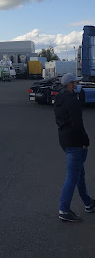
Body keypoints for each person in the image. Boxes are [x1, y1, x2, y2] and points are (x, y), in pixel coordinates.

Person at [54, 72, 95, 222]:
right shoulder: (73, 101)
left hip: (64, 141)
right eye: (76, 83)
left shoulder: (59, 99)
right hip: (75, 143)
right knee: (72, 176)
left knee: (79, 174)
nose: (78, 85)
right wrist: (85, 141)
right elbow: (78, 124)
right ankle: (64, 210)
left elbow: (59, 121)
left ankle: (88, 203)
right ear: (70, 85)